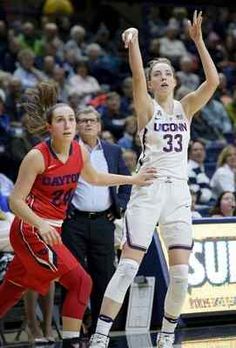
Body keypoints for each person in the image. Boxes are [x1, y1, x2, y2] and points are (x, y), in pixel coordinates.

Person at [89, 11, 219, 348]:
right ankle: (100, 335)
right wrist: (133, 42)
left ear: (174, 80)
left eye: (166, 73)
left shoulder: (186, 107)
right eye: (156, 74)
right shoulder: (147, 109)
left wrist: (199, 42)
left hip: (177, 193)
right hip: (148, 190)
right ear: (151, 83)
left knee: (180, 276)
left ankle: (166, 333)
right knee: (128, 269)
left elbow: (213, 82)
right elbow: (135, 74)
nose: (162, 77)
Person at [0, 81, 156, 348]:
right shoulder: (37, 157)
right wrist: (39, 223)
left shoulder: (79, 151)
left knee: (11, 290)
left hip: (53, 230)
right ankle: (71, 343)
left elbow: (95, 178)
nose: (68, 124)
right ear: (50, 127)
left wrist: (134, 179)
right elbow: (15, 201)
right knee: (82, 282)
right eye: (61, 120)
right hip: (30, 230)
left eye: (71, 118)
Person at [61, 106, 131, 334]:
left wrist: (118, 207)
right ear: (77, 126)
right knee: (73, 277)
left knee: (104, 277)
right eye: (83, 121)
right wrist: (63, 211)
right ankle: (74, 330)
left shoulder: (112, 151)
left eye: (92, 120)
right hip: (74, 223)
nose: (88, 124)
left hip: (104, 222)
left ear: (100, 125)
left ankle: (102, 330)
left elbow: (126, 182)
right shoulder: (68, 150)